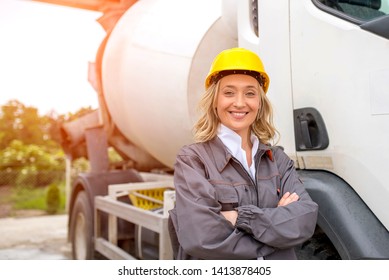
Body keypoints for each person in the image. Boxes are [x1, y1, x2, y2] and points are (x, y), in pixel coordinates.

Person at [168, 47, 318, 260]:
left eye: (250, 93)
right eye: (229, 92)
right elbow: (201, 238)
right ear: (215, 101)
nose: (240, 102)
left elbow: (305, 219)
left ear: (259, 102)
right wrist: (278, 233)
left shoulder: (278, 160)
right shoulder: (194, 160)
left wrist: (239, 218)